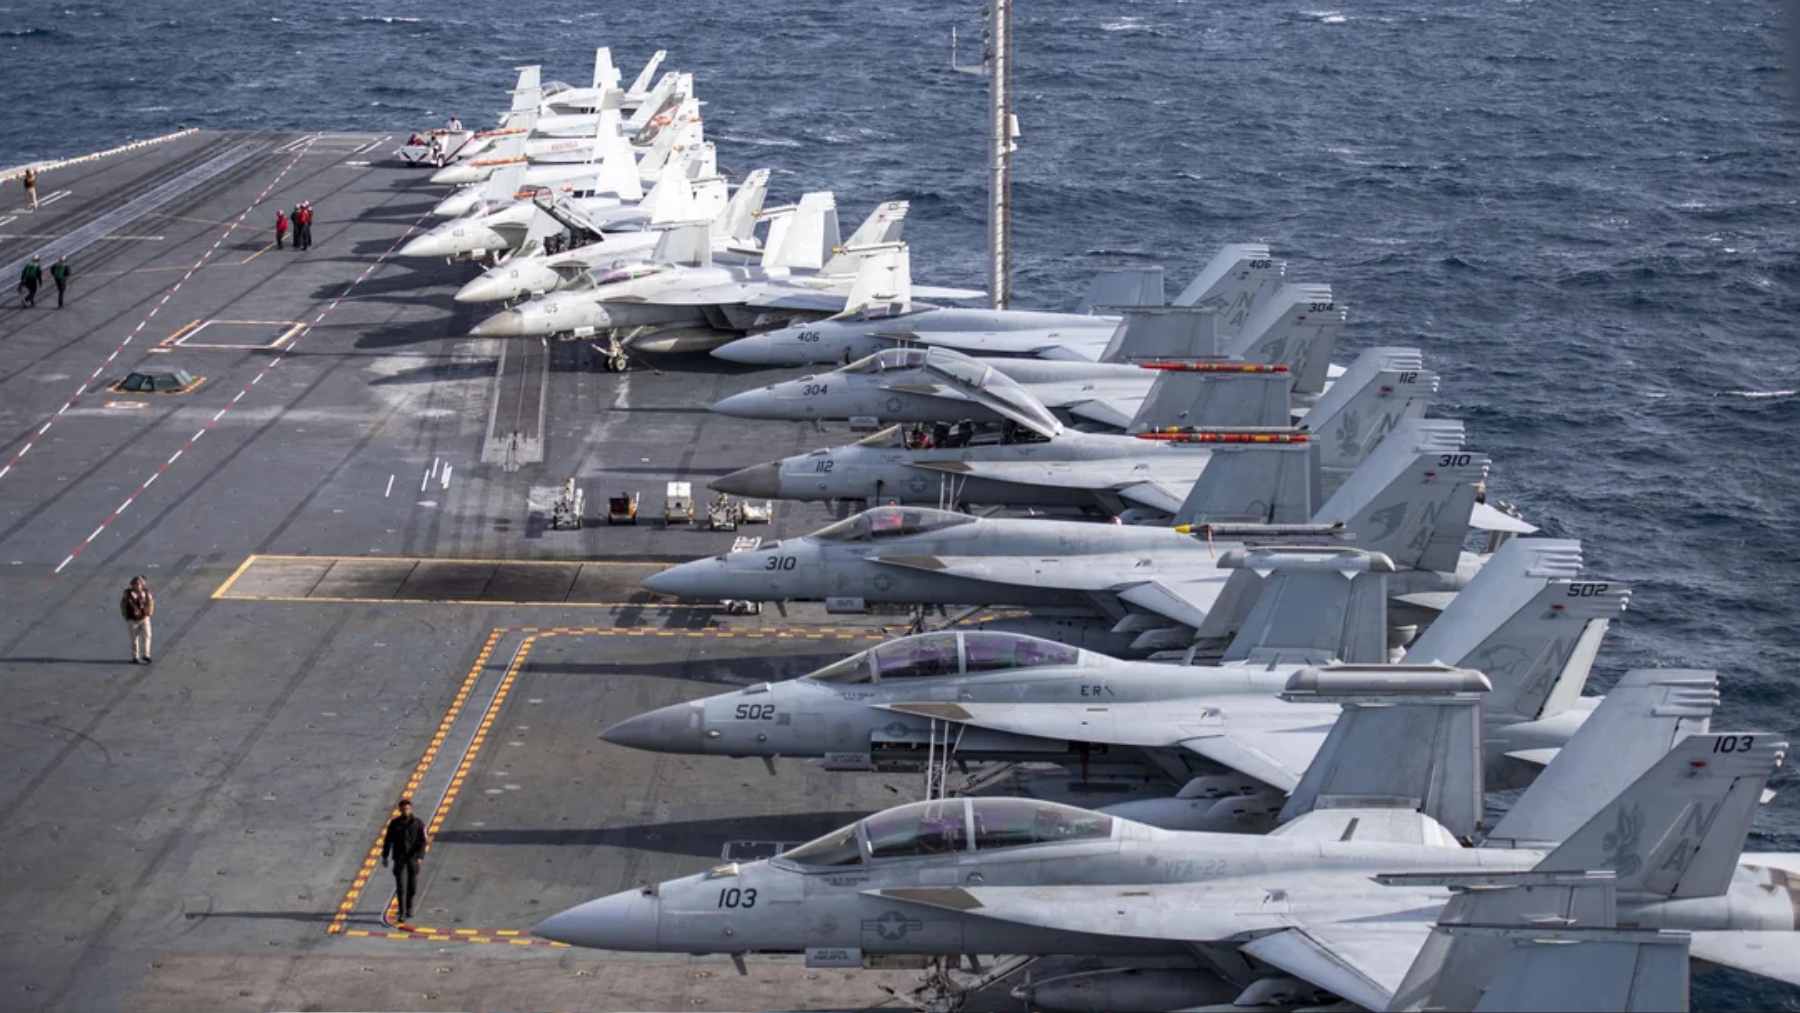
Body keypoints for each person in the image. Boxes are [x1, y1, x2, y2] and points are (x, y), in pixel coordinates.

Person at [381, 797, 428, 924]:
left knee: (412, 886)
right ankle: (401, 913)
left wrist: (420, 856)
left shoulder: (419, 823)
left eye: (407, 808)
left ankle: (409, 907)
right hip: (399, 858)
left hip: (413, 858)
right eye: (403, 809)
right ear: (399, 809)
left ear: (411, 809)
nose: (405, 810)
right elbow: (388, 840)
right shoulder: (394, 823)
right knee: (401, 887)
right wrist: (385, 856)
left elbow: (423, 841)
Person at [120, 576, 154, 663]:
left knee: (147, 636)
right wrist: (126, 616)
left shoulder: (146, 593)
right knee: (134, 639)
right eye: (136, 584)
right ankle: (135, 657)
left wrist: (149, 613)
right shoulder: (127, 594)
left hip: (144, 618)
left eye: (140, 584)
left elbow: (151, 602)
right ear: (132, 585)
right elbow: (123, 605)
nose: (138, 586)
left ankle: (146, 655)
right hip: (132, 619)